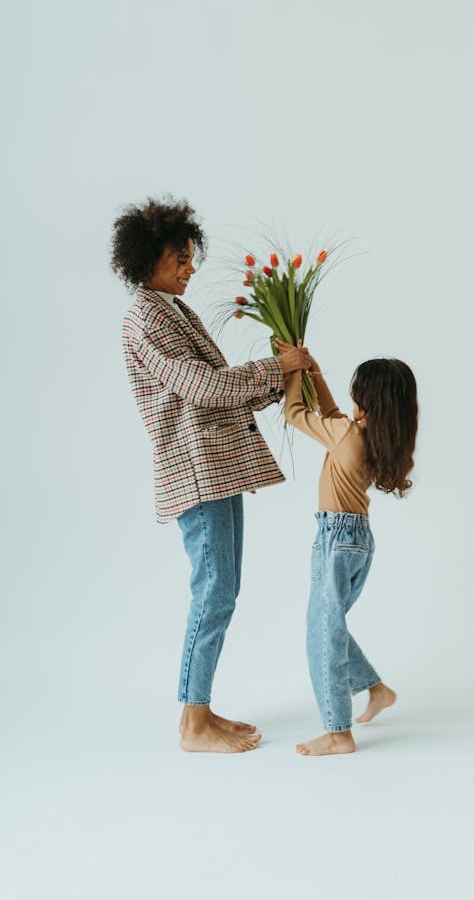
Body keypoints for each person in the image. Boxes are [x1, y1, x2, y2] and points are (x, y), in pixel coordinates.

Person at [111, 197, 310, 754]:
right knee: (215, 588)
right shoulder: (145, 317)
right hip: (195, 473)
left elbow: (219, 389)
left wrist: (282, 376)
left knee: (221, 588)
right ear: (147, 259)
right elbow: (203, 388)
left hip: (215, 469)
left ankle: (199, 711)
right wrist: (277, 368)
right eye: (180, 258)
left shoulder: (174, 311)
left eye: (190, 257)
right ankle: (193, 724)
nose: (189, 268)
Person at [276, 339, 418, 756]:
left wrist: (291, 371)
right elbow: (334, 415)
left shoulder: (345, 436)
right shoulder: (367, 437)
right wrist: (313, 370)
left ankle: (338, 732)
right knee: (329, 626)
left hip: (336, 540)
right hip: (356, 540)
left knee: (322, 633)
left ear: (368, 400)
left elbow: (295, 414)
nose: (351, 396)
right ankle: (375, 689)